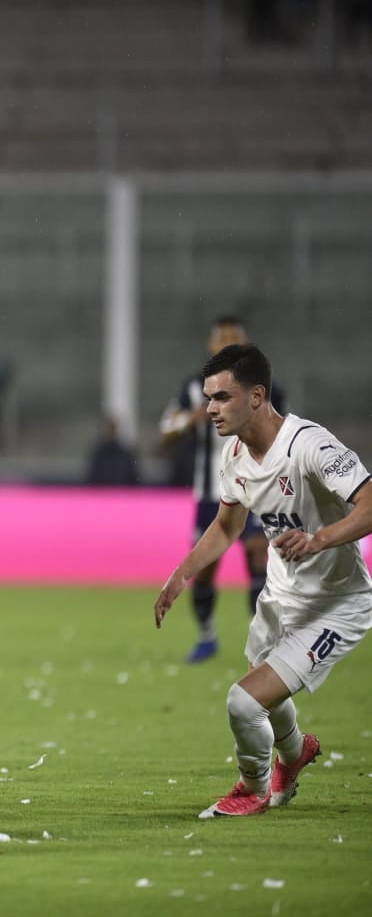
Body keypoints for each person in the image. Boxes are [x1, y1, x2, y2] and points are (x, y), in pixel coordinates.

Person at [154, 343, 372, 819]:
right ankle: (294, 756)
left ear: (257, 396)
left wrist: (319, 539)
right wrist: (182, 573)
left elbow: (370, 503)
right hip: (281, 597)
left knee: (243, 702)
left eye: (222, 397)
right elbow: (227, 526)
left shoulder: (309, 446)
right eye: (209, 397)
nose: (211, 408)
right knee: (265, 692)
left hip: (337, 604)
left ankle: (251, 789)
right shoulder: (235, 453)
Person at [159, 315, 283, 663]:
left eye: (235, 337)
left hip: (255, 483)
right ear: (211, 345)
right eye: (222, 338)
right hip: (209, 490)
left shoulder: (264, 385)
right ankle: (206, 635)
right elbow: (164, 431)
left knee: (257, 552)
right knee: (207, 564)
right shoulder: (192, 387)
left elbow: (282, 428)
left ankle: (264, 639)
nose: (227, 343)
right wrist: (188, 420)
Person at [85, 415, 141, 486]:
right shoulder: (98, 453)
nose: (111, 431)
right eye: (109, 428)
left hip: (122, 494)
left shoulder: (126, 453)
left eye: (113, 428)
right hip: (102, 494)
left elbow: (134, 478)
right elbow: (92, 477)